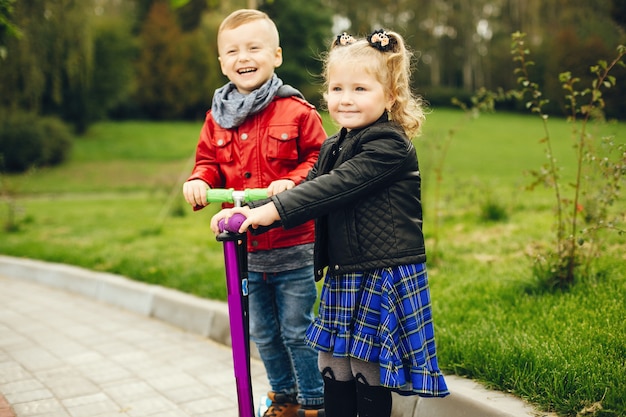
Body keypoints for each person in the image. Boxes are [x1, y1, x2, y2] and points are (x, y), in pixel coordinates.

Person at [211, 29, 450, 417]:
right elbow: (307, 188)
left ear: (390, 96)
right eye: (337, 89)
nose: (346, 99)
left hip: (380, 271)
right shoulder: (334, 144)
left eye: (360, 89)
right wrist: (247, 214)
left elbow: (332, 188)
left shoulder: (389, 145)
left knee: (363, 369)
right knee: (332, 364)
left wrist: (273, 211)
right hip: (345, 272)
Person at [182, 9, 326, 417]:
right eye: (232, 51)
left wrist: (293, 181)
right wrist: (199, 181)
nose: (243, 57)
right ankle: (284, 398)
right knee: (262, 332)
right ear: (222, 62)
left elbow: (320, 158)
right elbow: (207, 162)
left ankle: (315, 402)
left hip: (294, 243)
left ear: (276, 55)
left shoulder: (297, 111)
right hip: (245, 248)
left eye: (253, 48)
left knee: (297, 330)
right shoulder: (217, 117)